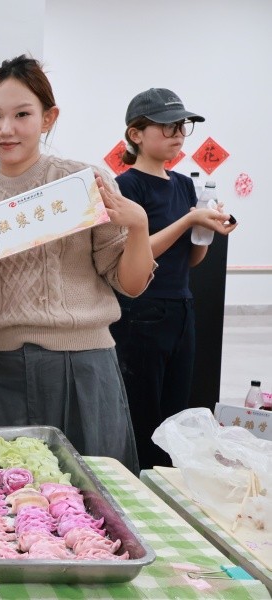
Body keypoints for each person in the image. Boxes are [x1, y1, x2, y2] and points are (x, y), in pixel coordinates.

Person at [0, 55, 156, 473]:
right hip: (2, 369)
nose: (6, 129)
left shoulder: (86, 184)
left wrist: (140, 226)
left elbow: (129, 284)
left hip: (85, 365)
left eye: (22, 114)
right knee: (0, 495)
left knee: (92, 493)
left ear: (48, 118)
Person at [109, 88, 237, 468]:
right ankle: (139, 484)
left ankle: (166, 484)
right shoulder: (126, 186)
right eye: (167, 127)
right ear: (136, 134)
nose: (178, 134)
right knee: (142, 413)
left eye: (181, 126)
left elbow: (192, 259)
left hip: (181, 308)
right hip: (140, 310)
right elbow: (134, 254)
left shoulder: (183, 185)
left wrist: (206, 229)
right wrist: (189, 220)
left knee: (175, 416)